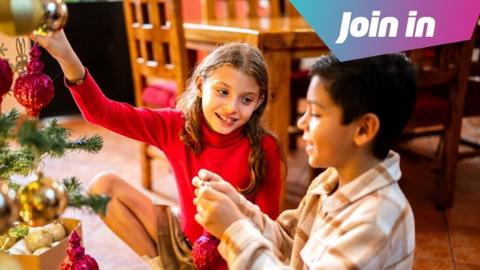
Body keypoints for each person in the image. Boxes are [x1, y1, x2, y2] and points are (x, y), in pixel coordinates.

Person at [31, 30, 284, 268]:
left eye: (246, 99)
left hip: (233, 259)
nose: (232, 108)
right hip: (183, 242)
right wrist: (65, 54)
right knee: (104, 187)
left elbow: (267, 232)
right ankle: (164, 266)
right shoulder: (176, 126)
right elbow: (101, 112)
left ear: (259, 101)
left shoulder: (264, 147)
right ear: (199, 85)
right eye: (222, 92)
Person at [193, 54, 417, 269]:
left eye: (316, 113)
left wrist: (234, 229)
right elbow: (290, 242)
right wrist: (238, 208)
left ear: (363, 128)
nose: (302, 122)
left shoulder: (374, 222)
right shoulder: (331, 181)